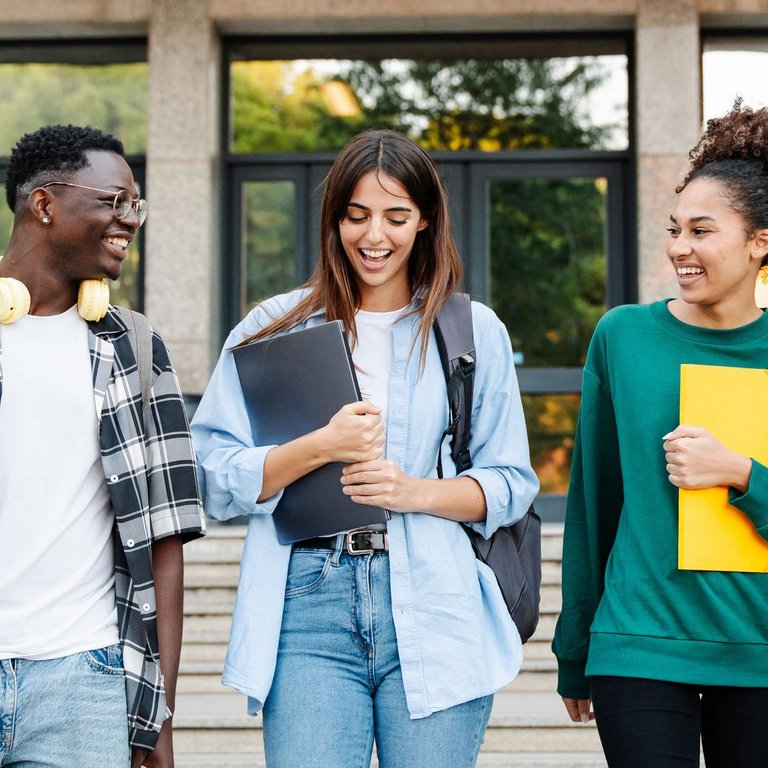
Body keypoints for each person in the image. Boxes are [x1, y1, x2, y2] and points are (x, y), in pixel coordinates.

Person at [191, 128, 538, 767]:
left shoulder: (470, 330)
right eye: (356, 216)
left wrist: (414, 492)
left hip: (435, 598)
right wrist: (317, 447)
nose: (374, 236)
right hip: (307, 601)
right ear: (335, 221)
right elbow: (211, 476)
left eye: (395, 216)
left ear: (425, 221)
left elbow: (512, 482)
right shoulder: (275, 327)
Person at [552, 99, 768, 767]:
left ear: (761, 241)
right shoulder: (624, 337)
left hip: (758, 644)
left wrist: (741, 474)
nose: (680, 248)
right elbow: (596, 501)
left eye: (701, 231)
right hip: (639, 641)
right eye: (674, 229)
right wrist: (575, 649)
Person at [0, 124, 206, 768]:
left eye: (134, 205)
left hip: (83, 682)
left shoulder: (136, 350)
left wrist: (159, 720)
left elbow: (165, 543)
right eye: (114, 202)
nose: (130, 220)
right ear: (44, 204)